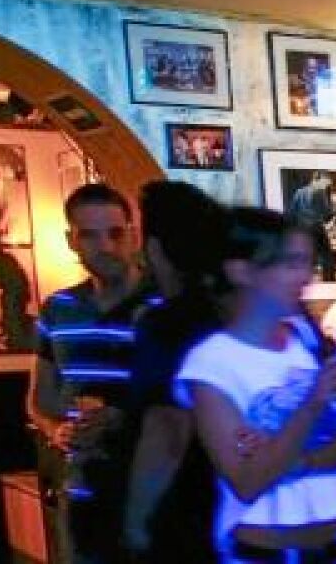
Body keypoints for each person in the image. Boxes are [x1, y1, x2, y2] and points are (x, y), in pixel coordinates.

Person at [174, 207, 336, 561]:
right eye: (290, 264)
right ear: (241, 270)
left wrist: (297, 459)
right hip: (270, 550)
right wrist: (311, 406)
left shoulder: (307, 338)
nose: (305, 277)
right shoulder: (210, 364)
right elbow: (247, 481)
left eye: (307, 264)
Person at [26, 183, 159, 564]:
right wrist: (56, 429)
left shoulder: (165, 304)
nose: (106, 246)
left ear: (134, 235)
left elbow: (196, 397)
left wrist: (125, 417)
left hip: (157, 494)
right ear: (72, 241)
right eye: (90, 235)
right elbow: (39, 400)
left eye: (116, 233)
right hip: (85, 494)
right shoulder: (58, 309)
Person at [122, 181, 229, 562]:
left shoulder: (168, 325)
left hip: (195, 511)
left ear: (153, 247)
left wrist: (136, 522)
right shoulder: (245, 311)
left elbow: (166, 430)